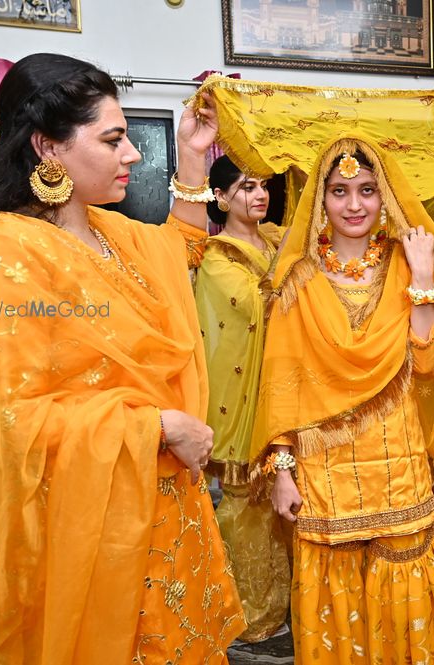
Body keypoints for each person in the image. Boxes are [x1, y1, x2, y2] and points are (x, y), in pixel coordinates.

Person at [0, 53, 245, 663]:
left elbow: (181, 253)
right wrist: (157, 425)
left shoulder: (110, 232)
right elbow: (6, 423)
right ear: (49, 148)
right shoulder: (0, 260)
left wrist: (195, 156)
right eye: (113, 139)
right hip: (87, 543)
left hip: (165, 521)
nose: (132, 154)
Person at [249, 134, 434, 664]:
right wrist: (280, 469)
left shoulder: (407, 264)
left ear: (384, 195)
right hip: (324, 467)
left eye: (367, 190)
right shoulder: (298, 278)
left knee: (405, 584)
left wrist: (420, 277)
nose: (353, 205)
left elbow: (427, 361)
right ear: (319, 199)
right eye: (340, 190)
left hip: (399, 458)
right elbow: (280, 384)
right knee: (334, 596)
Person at [194, 155, 289, 643]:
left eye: (264, 186)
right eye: (247, 186)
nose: (259, 195)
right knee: (247, 502)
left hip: (285, 382)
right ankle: (250, 610)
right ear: (222, 196)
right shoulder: (218, 256)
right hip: (241, 395)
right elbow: (256, 308)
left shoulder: (275, 239)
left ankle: (293, 597)